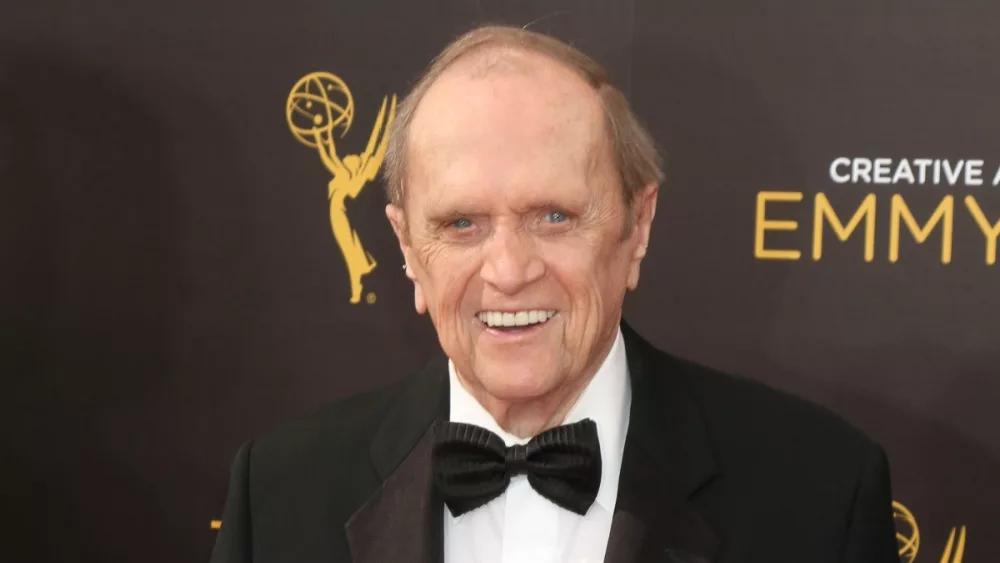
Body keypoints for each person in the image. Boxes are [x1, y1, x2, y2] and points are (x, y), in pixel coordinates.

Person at [210, 25, 899, 563]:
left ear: (638, 226)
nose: (508, 269)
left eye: (554, 216)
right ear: (406, 249)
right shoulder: (280, 494)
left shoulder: (818, 492)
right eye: (461, 223)